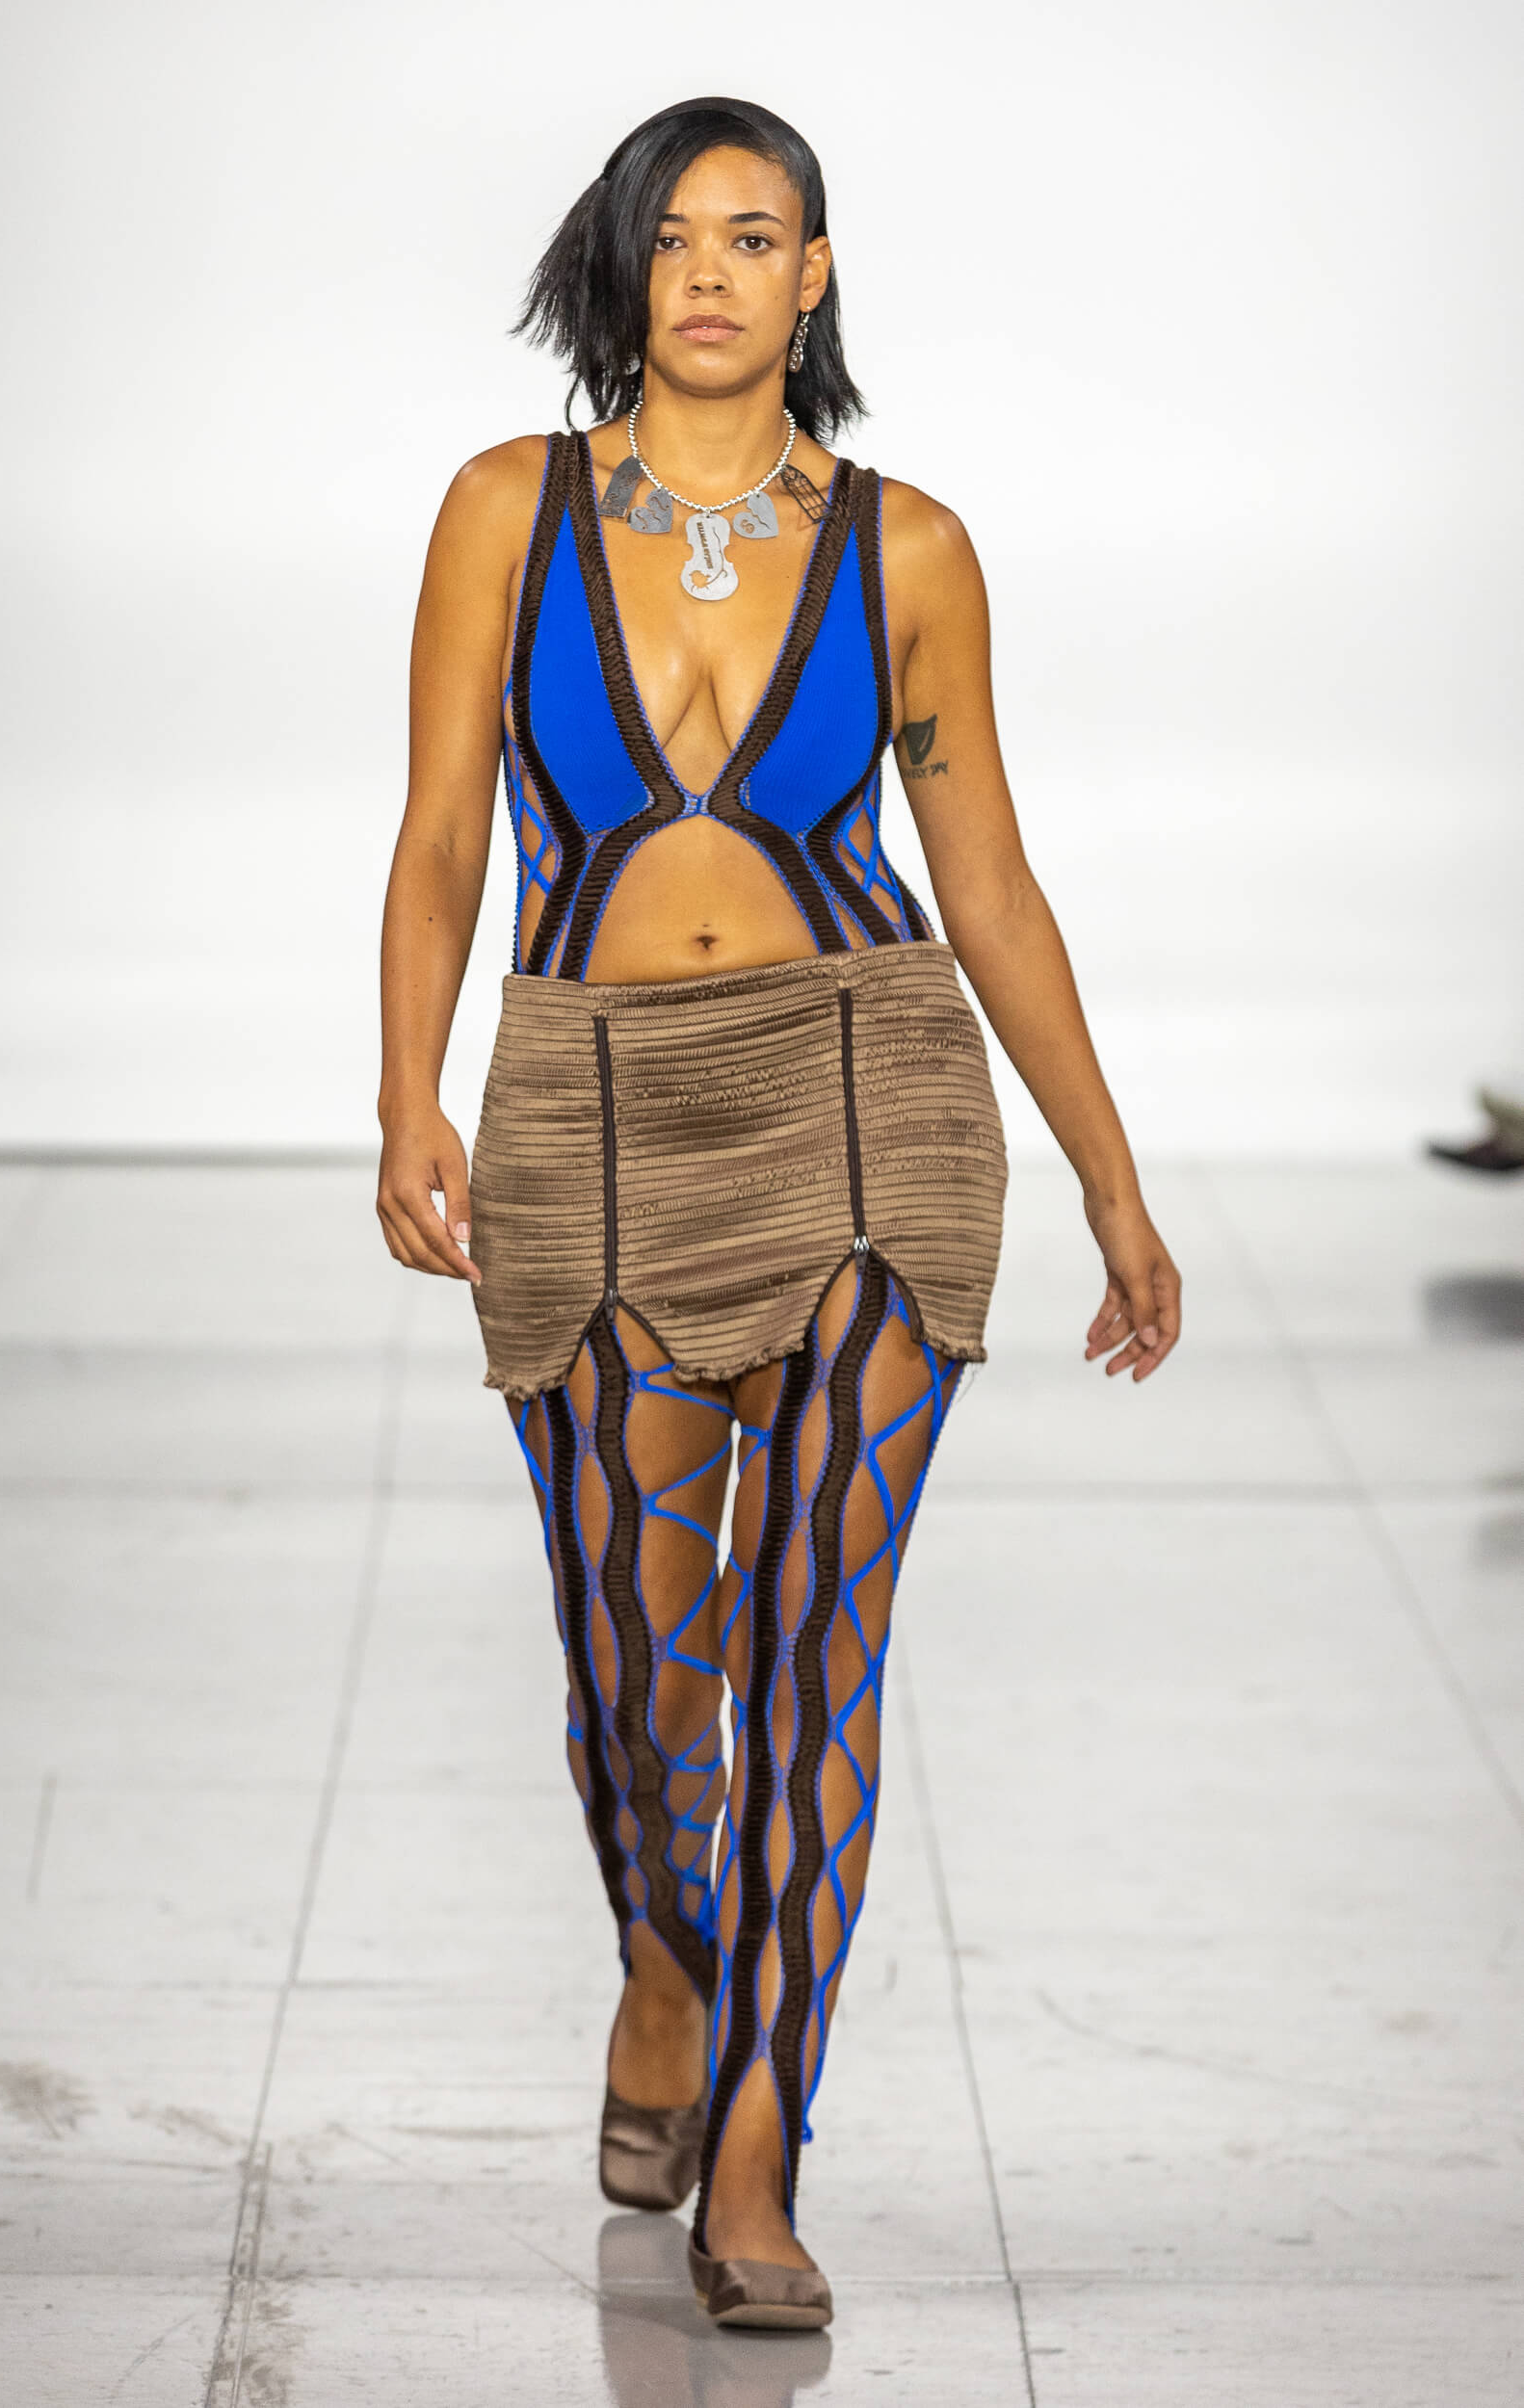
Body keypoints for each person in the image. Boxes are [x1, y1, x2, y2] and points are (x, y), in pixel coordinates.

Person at [376, 95, 1181, 2332]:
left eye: (758, 235)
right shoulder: (505, 510)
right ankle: (667, 1959)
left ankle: (757, 2153)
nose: (714, 272)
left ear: (815, 273)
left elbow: (985, 875)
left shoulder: (910, 549)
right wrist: (405, 1087)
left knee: (819, 1650)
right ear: (625, 264)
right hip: (592, 1117)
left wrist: (1114, 1176)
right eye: (678, 236)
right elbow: (441, 832)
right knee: (642, 1671)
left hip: (869, 1102)